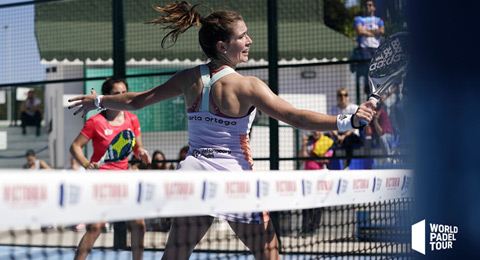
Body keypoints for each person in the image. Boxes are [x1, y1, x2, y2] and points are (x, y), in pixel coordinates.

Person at [68, 2, 375, 259]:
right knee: (270, 253)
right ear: (222, 46)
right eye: (243, 36)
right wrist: (346, 121)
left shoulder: (189, 78)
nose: (250, 41)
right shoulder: (247, 86)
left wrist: (98, 99)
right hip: (234, 180)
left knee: (175, 254)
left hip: (195, 175)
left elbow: (137, 100)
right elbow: (295, 118)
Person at [69, 77, 151, 260]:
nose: (121, 97)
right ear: (107, 96)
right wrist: (86, 164)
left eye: (124, 93)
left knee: (139, 225)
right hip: (101, 182)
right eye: (116, 94)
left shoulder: (132, 118)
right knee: (96, 227)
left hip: (124, 180)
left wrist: (142, 153)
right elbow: (74, 147)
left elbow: (136, 148)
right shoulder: (95, 122)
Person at [297, 131, 333, 236]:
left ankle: (313, 228)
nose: (315, 132)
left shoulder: (327, 142)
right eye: (314, 130)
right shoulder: (308, 144)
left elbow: (324, 158)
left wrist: (312, 156)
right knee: (306, 204)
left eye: (318, 130)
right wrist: (303, 144)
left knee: (317, 204)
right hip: (307, 178)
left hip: (320, 178)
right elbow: (302, 157)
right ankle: (305, 229)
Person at [354, 0, 384, 94]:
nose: (368, 7)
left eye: (370, 5)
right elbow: (360, 31)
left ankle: (378, 90)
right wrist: (374, 32)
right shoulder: (359, 19)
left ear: (374, 7)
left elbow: (382, 31)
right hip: (364, 48)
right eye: (366, 5)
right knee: (367, 71)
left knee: (377, 70)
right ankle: (368, 91)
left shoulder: (379, 20)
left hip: (376, 48)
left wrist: (366, 31)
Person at [329, 88, 362, 169]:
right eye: (340, 95)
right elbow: (331, 124)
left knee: (348, 141)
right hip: (338, 134)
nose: (343, 97)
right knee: (328, 140)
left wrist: (343, 136)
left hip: (351, 134)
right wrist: (337, 136)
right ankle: (329, 166)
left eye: (345, 95)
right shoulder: (333, 109)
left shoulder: (354, 108)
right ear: (337, 97)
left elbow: (356, 125)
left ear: (348, 97)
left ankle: (347, 165)